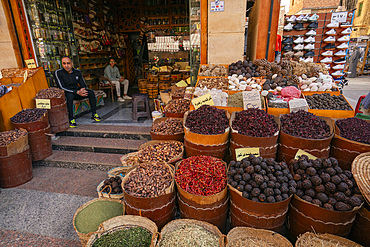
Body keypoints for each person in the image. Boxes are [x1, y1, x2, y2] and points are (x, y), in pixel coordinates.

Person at [55, 56, 102, 128]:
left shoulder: (77, 72)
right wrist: (76, 92)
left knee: (90, 93)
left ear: (72, 64)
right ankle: (71, 119)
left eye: (68, 63)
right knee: (69, 96)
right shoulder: (58, 72)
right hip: (67, 92)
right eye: (64, 64)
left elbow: (83, 84)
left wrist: (82, 90)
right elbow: (61, 87)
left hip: (77, 92)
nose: (66, 66)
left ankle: (94, 114)